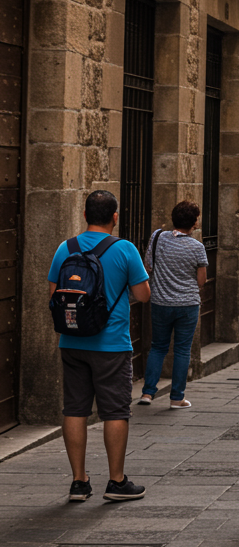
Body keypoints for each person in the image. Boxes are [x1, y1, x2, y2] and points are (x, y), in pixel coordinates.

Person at [48, 190, 151, 503]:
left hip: (72, 341)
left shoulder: (65, 248)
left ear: (85, 215)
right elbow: (144, 295)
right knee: (115, 411)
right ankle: (116, 482)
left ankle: (79, 482)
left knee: (74, 409)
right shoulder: (125, 249)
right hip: (112, 344)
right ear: (114, 217)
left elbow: (53, 295)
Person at [139, 200, 209, 409]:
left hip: (160, 302)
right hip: (187, 304)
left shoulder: (157, 237)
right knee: (182, 350)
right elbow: (201, 280)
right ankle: (177, 398)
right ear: (194, 222)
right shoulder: (197, 247)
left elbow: (147, 266)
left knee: (158, 347)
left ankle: (147, 393)